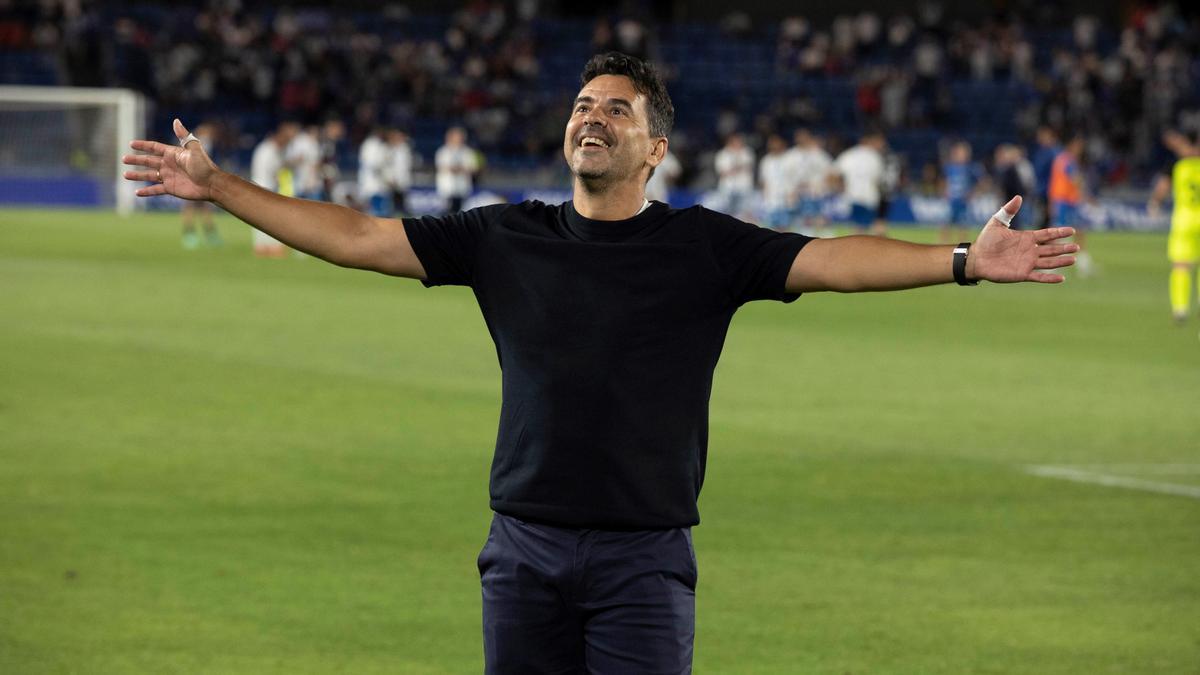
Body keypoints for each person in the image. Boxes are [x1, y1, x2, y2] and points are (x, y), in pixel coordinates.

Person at [123, 52, 1077, 674]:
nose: (592, 118)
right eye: (583, 106)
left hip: (642, 558)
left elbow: (830, 258)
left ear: (654, 147)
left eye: (615, 111)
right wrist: (217, 187)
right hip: (524, 550)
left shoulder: (705, 246)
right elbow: (358, 237)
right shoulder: (504, 237)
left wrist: (961, 261)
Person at [1148, 130, 1200, 325]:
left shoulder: (1176, 164)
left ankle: (1180, 310)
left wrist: (1154, 203)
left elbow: (1162, 188)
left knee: (1181, 264)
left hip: (1184, 219)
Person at [248, 122, 299, 257]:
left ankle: (266, 246)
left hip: (263, 186)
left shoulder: (269, 149)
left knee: (263, 218)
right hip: (263, 186)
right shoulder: (268, 150)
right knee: (266, 218)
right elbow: (272, 170)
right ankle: (267, 247)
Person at [1049, 134, 1093, 275]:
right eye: (1078, 145)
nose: (1080, 148)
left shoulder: (1063, 159)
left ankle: (1082, 263)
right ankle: (1052, 264)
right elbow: (1075, 179)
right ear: (1072, 144)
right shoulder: (1066, 160)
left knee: (1077, 231)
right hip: (1065, 201)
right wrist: (1086, 192)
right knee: (1061, 233)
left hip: (1067, 200)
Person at [831, 131, 886, 234]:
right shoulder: (875, 156)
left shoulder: (848, 154)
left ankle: (856, 249)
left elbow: (833, 173)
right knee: (875, 227)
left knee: (858, 228)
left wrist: (840, 187)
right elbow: (879, 179)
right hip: (870, 197)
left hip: (853, 196)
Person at [180, 122, 221, 249]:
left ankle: (202, 235)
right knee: (193, 206)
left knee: (201, 207)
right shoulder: (200, 144)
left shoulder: (200, 143)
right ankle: (192, 235)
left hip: (198, 178)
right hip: (194, 178)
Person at [785, 129, 832, 237]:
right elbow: (787, 176)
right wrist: (790, 191)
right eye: (799, 137)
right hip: (798, 193)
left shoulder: (818, 154)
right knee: (802, 220)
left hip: (815, 192)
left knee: (819, 217)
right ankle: (805, 238)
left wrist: (823, 186)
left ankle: (823, 239)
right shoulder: (791, 155)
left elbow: (829, 171)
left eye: (804, 136)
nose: (801, 139)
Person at [940, 140, 984, 243]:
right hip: (951, 200)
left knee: (963, 225)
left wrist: (972, 193)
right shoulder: (949, 168)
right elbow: (943, 181)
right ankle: (943, 243)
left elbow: (981, 182)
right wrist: (944, 191)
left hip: (963, 201)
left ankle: (962, 244)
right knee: (945, 223)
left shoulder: (970, 168)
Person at [435, 126, 479, 214]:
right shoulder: (443, 151)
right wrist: (454, 168)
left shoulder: (468, 152)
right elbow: (441, 166)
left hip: (462, 186)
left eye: (460, 137)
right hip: (447, 186)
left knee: (460, 212)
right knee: (446, 211)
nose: (458, 139)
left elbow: (474, 168)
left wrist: (461, 169)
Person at [714, 132, 755, 220]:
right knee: (727, 213)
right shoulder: (722, 154)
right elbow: (722, 172)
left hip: (744, 187)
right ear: (730, 142)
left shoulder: (747, 152)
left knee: (744, 213)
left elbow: (748, 167)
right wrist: (737, 167)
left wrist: (734, 167)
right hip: (728, 187)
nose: (738, 143)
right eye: (736, 141)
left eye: (739, 141)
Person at [994, 144, 1036, 230]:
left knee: (1016, 221)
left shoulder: (1018, 167)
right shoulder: (1009, 168)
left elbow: (1025, 183)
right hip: (1013, 198)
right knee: (1012, 220)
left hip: (1017, 197)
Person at [757, 133, 792, 230]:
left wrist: (792, 192)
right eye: (771, 144)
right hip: (771, 199)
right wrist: (765, 196)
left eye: (776, 143)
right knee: (771, 228)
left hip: (786, 197)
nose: (774, 146)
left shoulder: (789, 158)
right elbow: (763, 181)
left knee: (786, 227)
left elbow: (794, 178)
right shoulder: (766, 161)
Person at [1031, 126, 1061, 229]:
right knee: (1041, 222)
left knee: (1045, 222)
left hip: (1049, 193)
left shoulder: (1053, 153)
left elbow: (1056, 176)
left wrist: (1052, 196)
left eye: (1043, 135)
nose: (1040, 138)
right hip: (1041, 192)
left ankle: (1042, 244)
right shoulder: (1040, 152)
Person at [358, 128, 391, 217]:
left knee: (373, 209)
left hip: (370, 181)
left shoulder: (369, 144)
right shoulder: (373, 144)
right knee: (374, 211)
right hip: (373, 182)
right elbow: (375, 164)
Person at [287, 124, 324, 201]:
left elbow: (315, 164)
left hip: (311, 185)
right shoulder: (297, 142)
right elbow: (291, 161)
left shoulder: (311, 143)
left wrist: (312, 180)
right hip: (299, 183)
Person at [386, 129, 416, 218]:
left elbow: (403, 167)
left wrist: (397, 179)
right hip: (393, 181)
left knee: (403, 203)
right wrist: (390, 178)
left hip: (401, 181)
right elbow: (389, 166)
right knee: (393, 203)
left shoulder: (404, 150)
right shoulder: (391, 149)